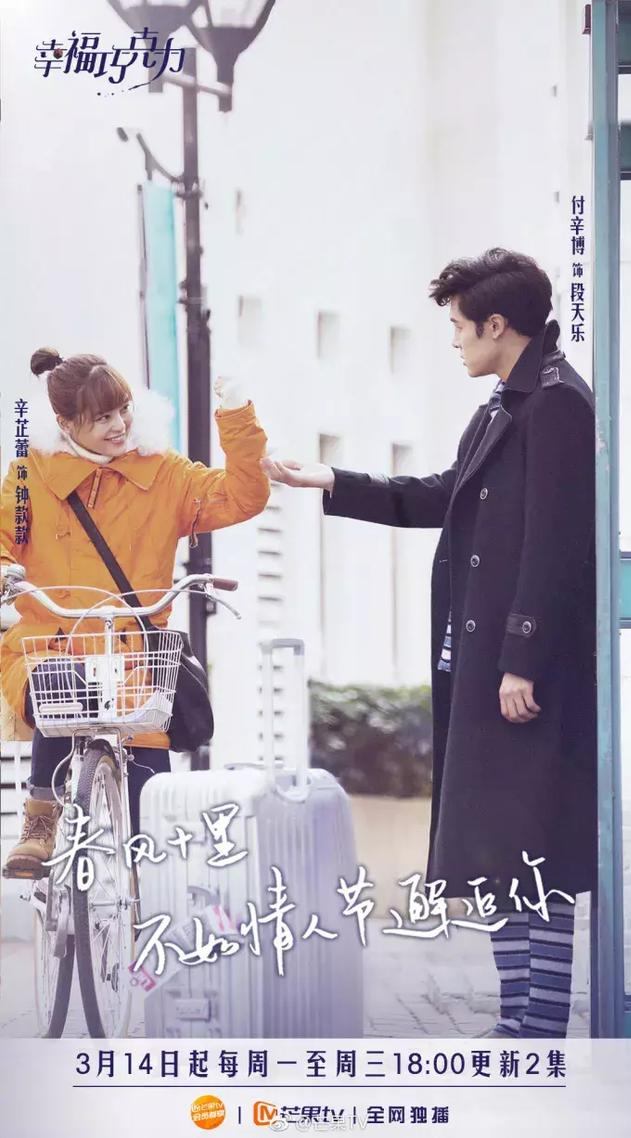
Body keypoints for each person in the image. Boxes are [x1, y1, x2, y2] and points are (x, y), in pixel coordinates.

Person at [261, 248, 597, 1039]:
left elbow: (555, 544)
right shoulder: (506, 402)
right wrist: (332, 481)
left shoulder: (556, 404)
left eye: (458, 326)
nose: (453, 341)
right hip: (484, 665)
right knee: (499, 847)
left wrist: (521, 659)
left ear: (496, 324)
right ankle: (518, 1021)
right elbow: (445, 495)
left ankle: (540, 1025)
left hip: (522, 670)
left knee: (533, 847)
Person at [1, 348, 270, 877]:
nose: (119, 425)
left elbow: (243, 496)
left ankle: (141, 909)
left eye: (123, 409)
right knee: (59, 689)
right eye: (101, 417)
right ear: (65, 423)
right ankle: (39, 819)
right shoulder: (31, 475)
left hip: (136, 663)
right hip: (50, 647)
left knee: (148, 834)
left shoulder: (163, 472)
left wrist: (237, 415)